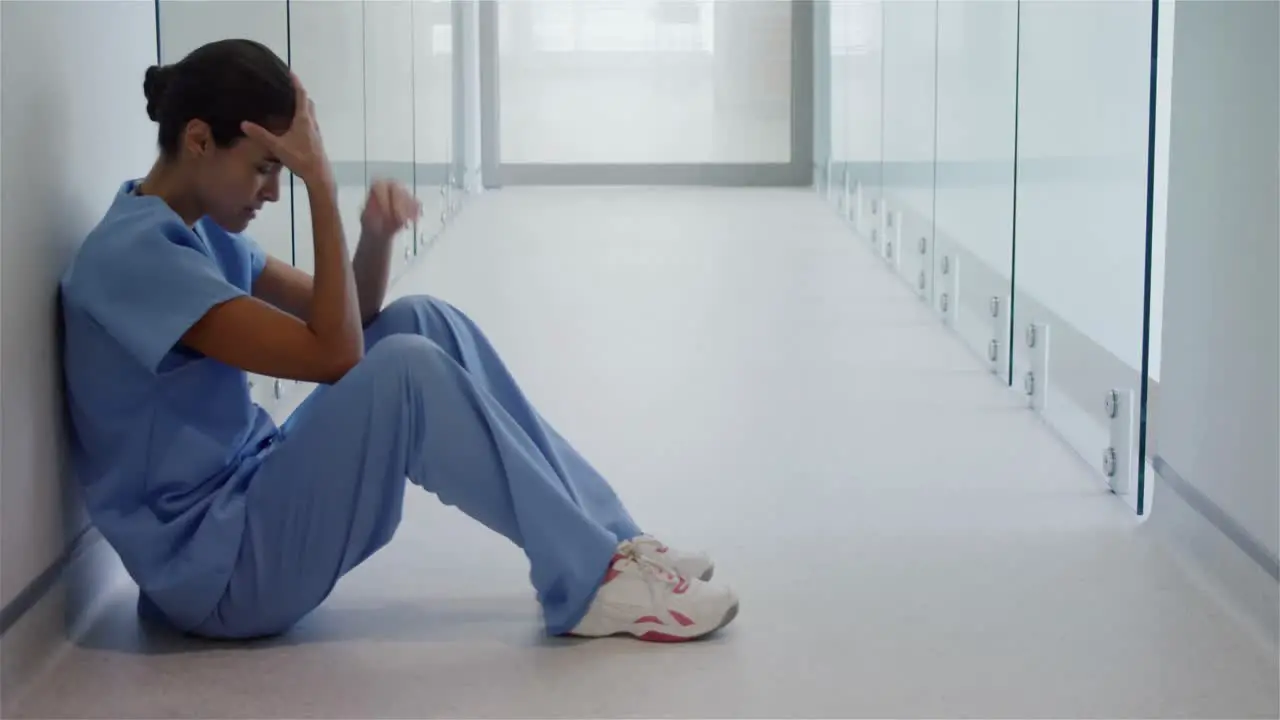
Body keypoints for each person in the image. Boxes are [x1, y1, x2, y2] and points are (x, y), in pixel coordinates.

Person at [59, 38, 738, 643]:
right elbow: (334, 356)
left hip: (248, 505)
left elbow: (352, 316)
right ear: (200, 140)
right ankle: (592, 584)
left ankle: (616, 545)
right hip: (215, 572)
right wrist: (321, 187)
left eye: (282, 173)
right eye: (265, 168)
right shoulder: (134, 260)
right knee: (406, 368)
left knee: (420, 320)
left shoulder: (196, 229)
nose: (271, 192)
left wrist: (375, 237)